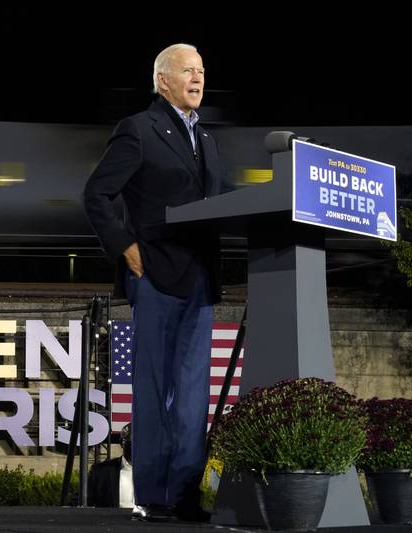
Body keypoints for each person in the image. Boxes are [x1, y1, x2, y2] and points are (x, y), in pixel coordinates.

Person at [82, 43, 233, 522]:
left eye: (203, 71)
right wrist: (125, 248)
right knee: (153, 391)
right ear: (163, 79)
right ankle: (152, 495)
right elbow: (96, 195)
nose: (199, 78)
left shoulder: (206, 138)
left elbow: (221, 200)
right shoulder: (138, 130)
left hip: (201, 281)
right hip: (155, 277)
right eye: (189, 70)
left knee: (193, 396)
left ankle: (185, 495)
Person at [87, 423, 133, 508]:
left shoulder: (156, 473)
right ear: (121, 443)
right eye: (131, 442)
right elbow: (79, 503)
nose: (136, 446)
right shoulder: (100, 472)